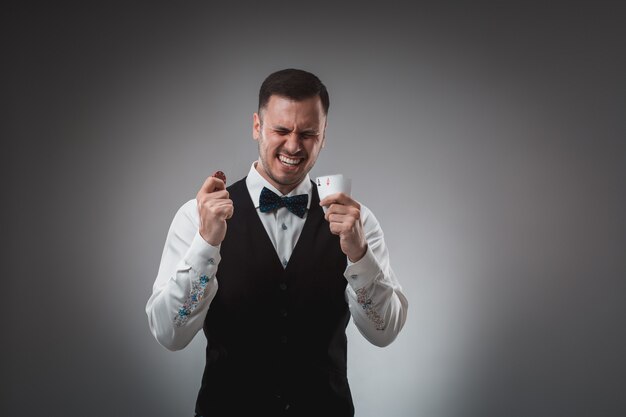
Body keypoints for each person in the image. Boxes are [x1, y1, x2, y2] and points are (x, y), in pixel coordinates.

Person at [146, 68, 408, 417]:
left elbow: (384, 332)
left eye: (308, 133)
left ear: (324, 134)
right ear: (257, 126)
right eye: (281, 130)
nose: (293, 145)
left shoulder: (358, 222)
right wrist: (207, 244)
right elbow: (169, 334)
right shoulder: (195, 218)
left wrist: (359, 255)